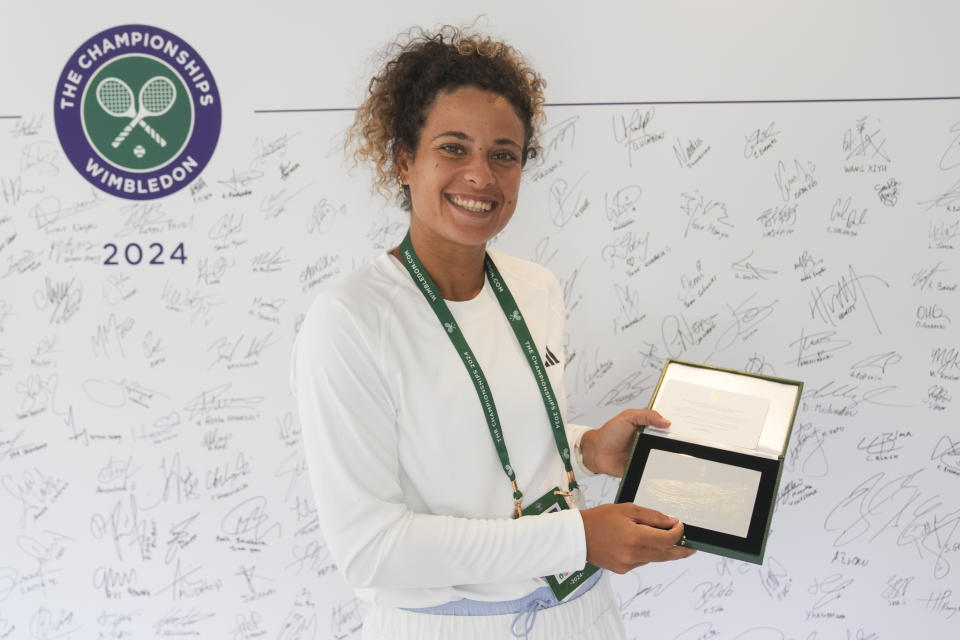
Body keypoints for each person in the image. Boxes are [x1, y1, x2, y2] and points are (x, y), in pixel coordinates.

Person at [291, 24, 695, 640]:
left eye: (503, 154)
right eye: (453, 148)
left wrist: (586, 446)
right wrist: (575, 538)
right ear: (404, 160)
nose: (481, 175)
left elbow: (489, 436)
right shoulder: (350, 321)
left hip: (578, 612)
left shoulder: (536, 289)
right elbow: (371, 548)